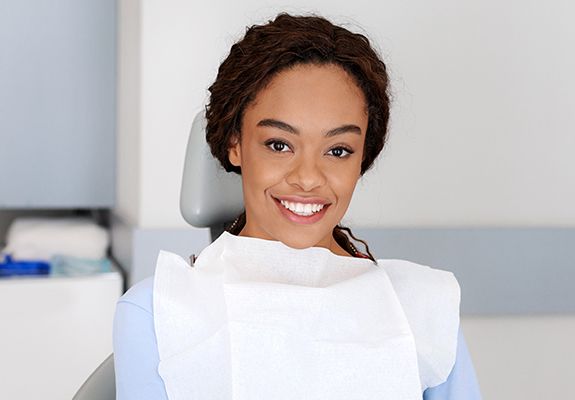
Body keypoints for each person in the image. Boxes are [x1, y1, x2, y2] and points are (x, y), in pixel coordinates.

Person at [114, 13, 482, 399]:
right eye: (279, 145)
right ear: (234, 144)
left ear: (362, 159)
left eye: (338, 150)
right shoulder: (159, 313)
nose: (308, 177)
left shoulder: (424, 310)